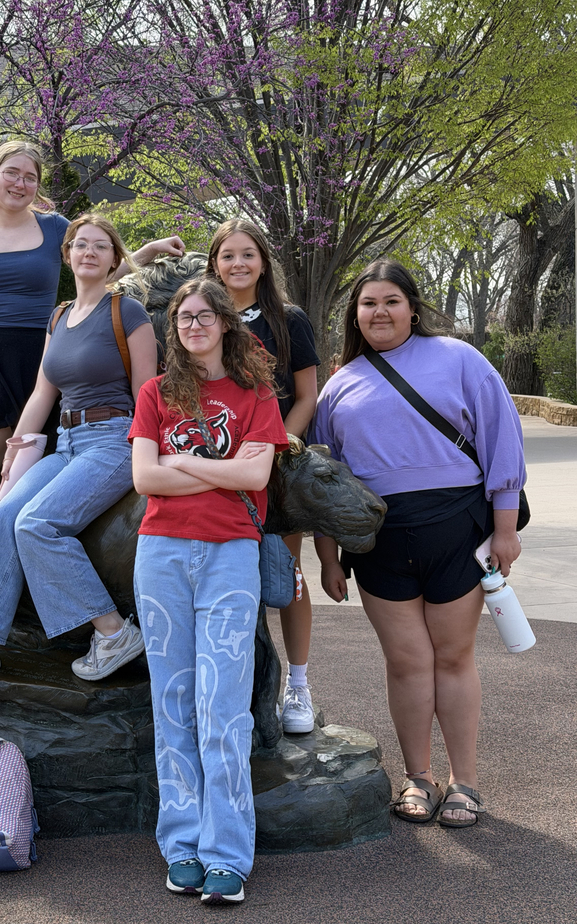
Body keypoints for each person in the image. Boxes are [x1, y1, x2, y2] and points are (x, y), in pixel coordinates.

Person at [310, 258, 526, 828]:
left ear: (412, 307)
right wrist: (328, 556)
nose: (379, 312)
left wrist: (504, 528)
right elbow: (327, 479)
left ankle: (465, 782)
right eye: (368, 304)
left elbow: (504, 447)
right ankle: (418, 778)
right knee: (407, 662)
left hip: (457, 527)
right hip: (377, 538)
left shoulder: (461, 360)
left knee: (452, 657)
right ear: (355, 315)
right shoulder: (340, 384)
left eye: (390, 301)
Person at [0, 140, 184, 574]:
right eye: (12, 173)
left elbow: (100, 263)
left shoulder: (55, 228)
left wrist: (147, 251)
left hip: (25, 357)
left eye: (30, 177)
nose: (20, 183)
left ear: (38, 187)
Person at [0, 212, 159, 683]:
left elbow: (147, 392)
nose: (89, 252)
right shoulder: (59, 317)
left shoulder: (127, 313)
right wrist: (14, 453)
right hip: (66, 442)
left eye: (100, 246)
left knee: (38, 524)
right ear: (67, 254)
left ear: (115, 260)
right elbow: (41, 394)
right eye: (80, 244)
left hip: (113, 439)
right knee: (6, 516)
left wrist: (150, 456)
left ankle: (112, 631)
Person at [130, 277, 288, 903]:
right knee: (173, 701)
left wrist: (185, 465)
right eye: (183, 317)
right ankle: (183, 843)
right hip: (162, 554)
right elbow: (145, 478)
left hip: (230, 556)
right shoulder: (157, 393)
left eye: (204, 315)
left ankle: (227, 853)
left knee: (223, 705)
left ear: (226, 322)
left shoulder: (255, 395)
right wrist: (223, 475)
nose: (193, 325)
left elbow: (256, 473)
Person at [206, 219, 320, 733]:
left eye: (247, 254)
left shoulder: (287, 320)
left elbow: (307, 395)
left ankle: (298, 685)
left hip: (273, 466)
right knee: (228, 579)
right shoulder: (200, 316)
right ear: (214, 264)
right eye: (227, 255)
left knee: (286, 575)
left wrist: (278, 447)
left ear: (263, 262)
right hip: (216, 467)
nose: (238, 264)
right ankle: (243, 686)